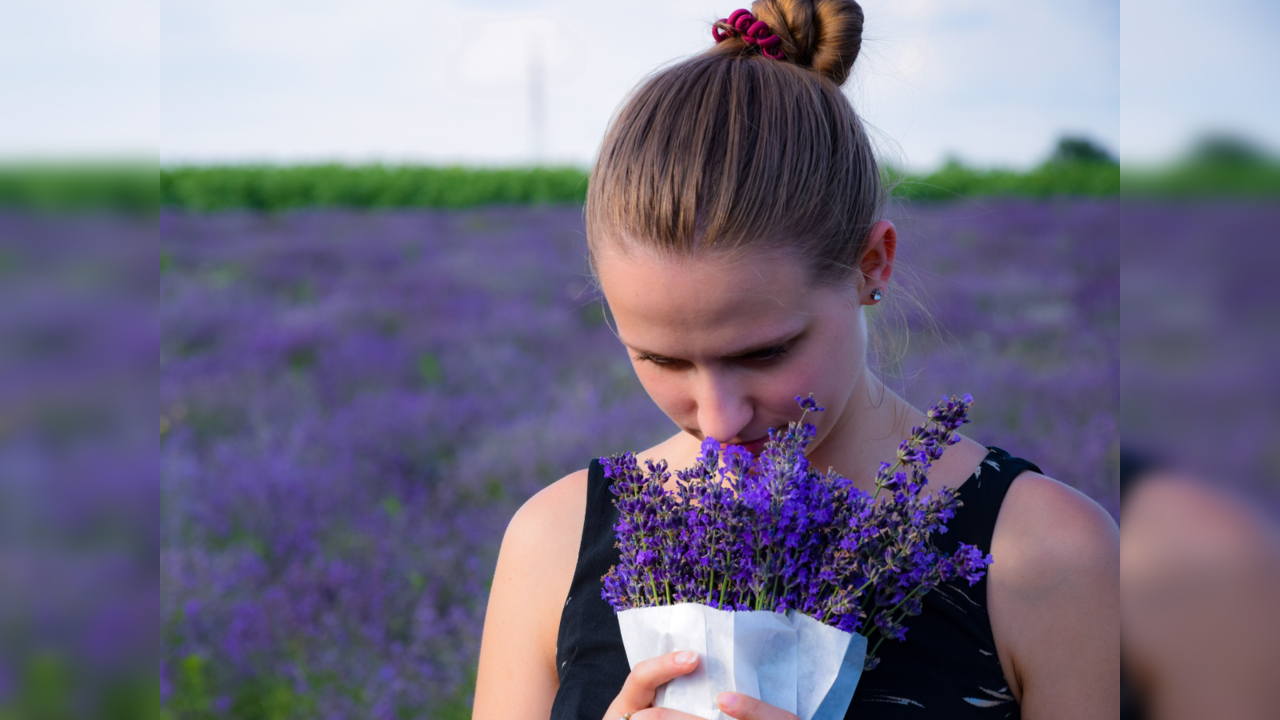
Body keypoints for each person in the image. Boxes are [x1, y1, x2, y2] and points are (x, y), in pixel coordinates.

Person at [473, 1, 1119, 718]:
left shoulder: (1050, 555)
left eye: (765, 352)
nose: (719, 419)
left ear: (871, 264)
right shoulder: (554, 542)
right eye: (661, 359)